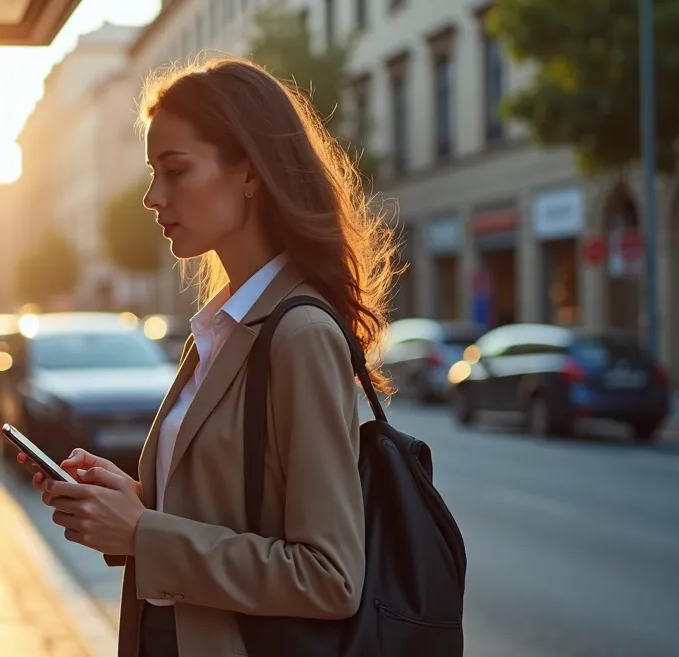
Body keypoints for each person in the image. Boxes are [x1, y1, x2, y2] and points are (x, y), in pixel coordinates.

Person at [21, 56, 398, 657]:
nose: (151, 197)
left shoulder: (298, 334)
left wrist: (144, 532)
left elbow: (330, 576)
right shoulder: (217, 330)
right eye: (152, 172)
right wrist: (128, 508)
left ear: (250, 171)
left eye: (175, 171)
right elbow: (228, 518)